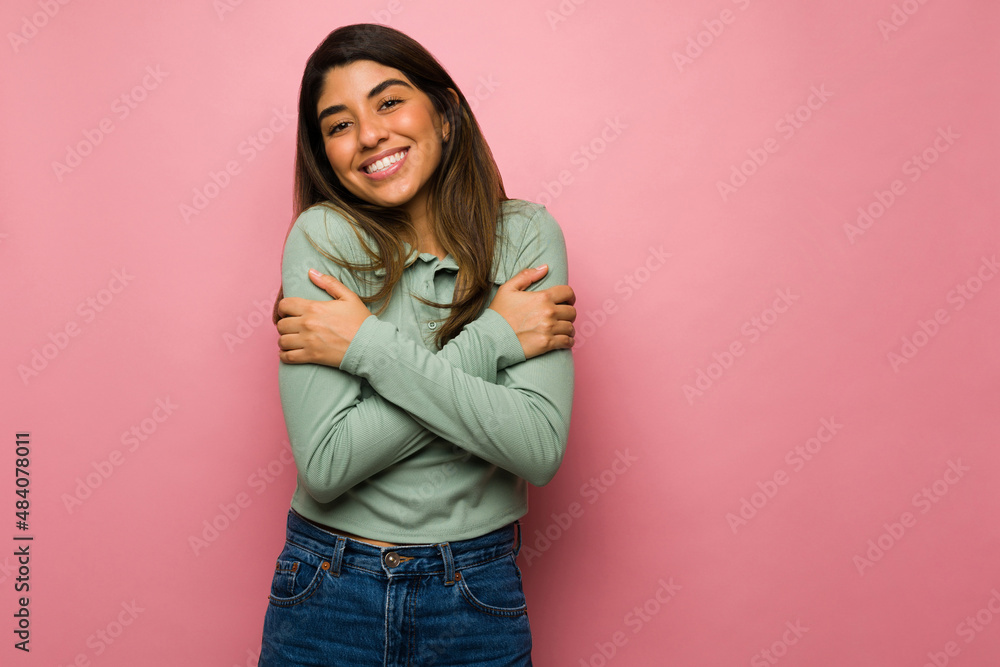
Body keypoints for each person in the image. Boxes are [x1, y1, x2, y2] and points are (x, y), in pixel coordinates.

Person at [258, 23, 576, 666]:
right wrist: (494, 337)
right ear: (325, 152)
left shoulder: (526, 237)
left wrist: (364, 347)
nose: (370, 135)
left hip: (477, 593)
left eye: (388, 101)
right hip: (329, 589)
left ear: (447, 112)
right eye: (338, 124)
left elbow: (538, 448)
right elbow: (327, 463)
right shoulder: (322, 241)